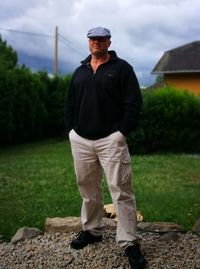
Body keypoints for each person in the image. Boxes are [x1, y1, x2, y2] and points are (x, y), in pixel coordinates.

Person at [64, 26, 146, 269]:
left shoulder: (122, 69)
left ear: (109, 42)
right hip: (81, 140)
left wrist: (121, 133)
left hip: (111, 139)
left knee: (121, 190)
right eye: (92, 39)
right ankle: (92, 230)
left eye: (100, 39)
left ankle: (129, 241)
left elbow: (134, 104)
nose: (96, 43)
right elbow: (69, 104)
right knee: (88, 189)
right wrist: (71, 131)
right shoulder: (80, 71)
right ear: (88, 42)